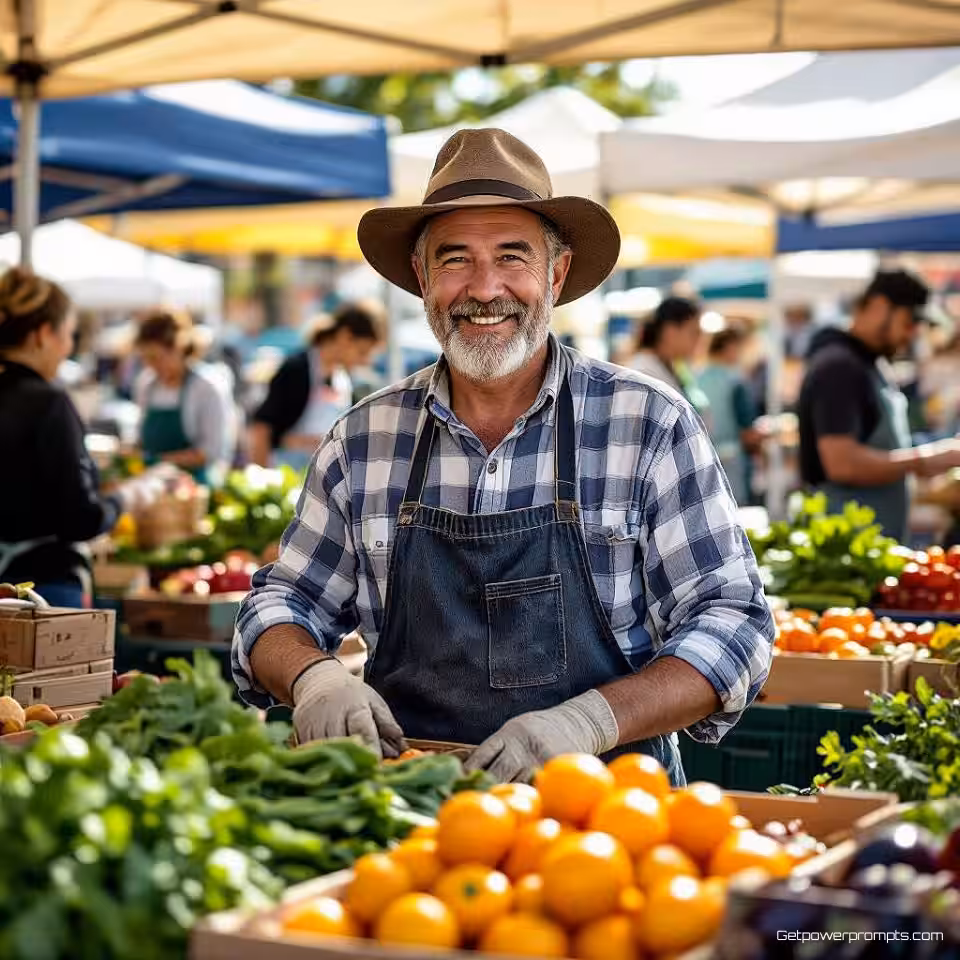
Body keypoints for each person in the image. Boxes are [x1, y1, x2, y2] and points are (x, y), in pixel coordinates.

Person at [233, 128, 774, 785]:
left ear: (557, 272)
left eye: (512, 257)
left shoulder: (647, 424)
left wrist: (590, 722)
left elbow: (733, 623)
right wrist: (313, 677)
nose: (484, 288)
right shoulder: (363, 440)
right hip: (413, 826)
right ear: (422, 277)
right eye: (455, 258)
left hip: (607, 826)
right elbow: (279, 605)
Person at [0, 267, 159, 607]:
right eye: (68, 334)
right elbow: (81, 518)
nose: (68, 347)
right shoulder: (48, 404)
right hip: (40, 594)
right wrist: (126, 498)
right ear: (43, 334)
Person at [798, 269, 960, 542]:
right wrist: (926, 459)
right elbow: (843, 463)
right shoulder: (839, 366)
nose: (912, 335)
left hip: (873, 545)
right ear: (879, 306)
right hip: (843, 551)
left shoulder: (869, 363)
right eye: (909, 322)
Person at [247, 302, 383, 470]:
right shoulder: (296, 370)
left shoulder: (344, 379)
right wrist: (261, 476)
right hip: (287, 475)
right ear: (345, 336)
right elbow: (262, 428)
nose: (365, 361)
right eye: (362, 351)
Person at [134, 309, 238, 487]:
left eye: (157, 358)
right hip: (151, 486)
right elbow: (141, 439)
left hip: (195, 487)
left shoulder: (207, 386)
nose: (152, 365)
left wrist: (159, 461)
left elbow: (211, 452)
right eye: (146, 359)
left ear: (178, 349)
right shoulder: (147, 385)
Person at [697, 327, 763, 505]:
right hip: (733, 464)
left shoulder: (696, 378)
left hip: (703, 460)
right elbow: (747, 433)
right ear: (730, 347)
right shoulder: (736, 381)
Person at [630, 296, 710, 421]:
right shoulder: (643, 372)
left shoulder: (675, 366)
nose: (699, 340)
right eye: (694, 332)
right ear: (670, 331)